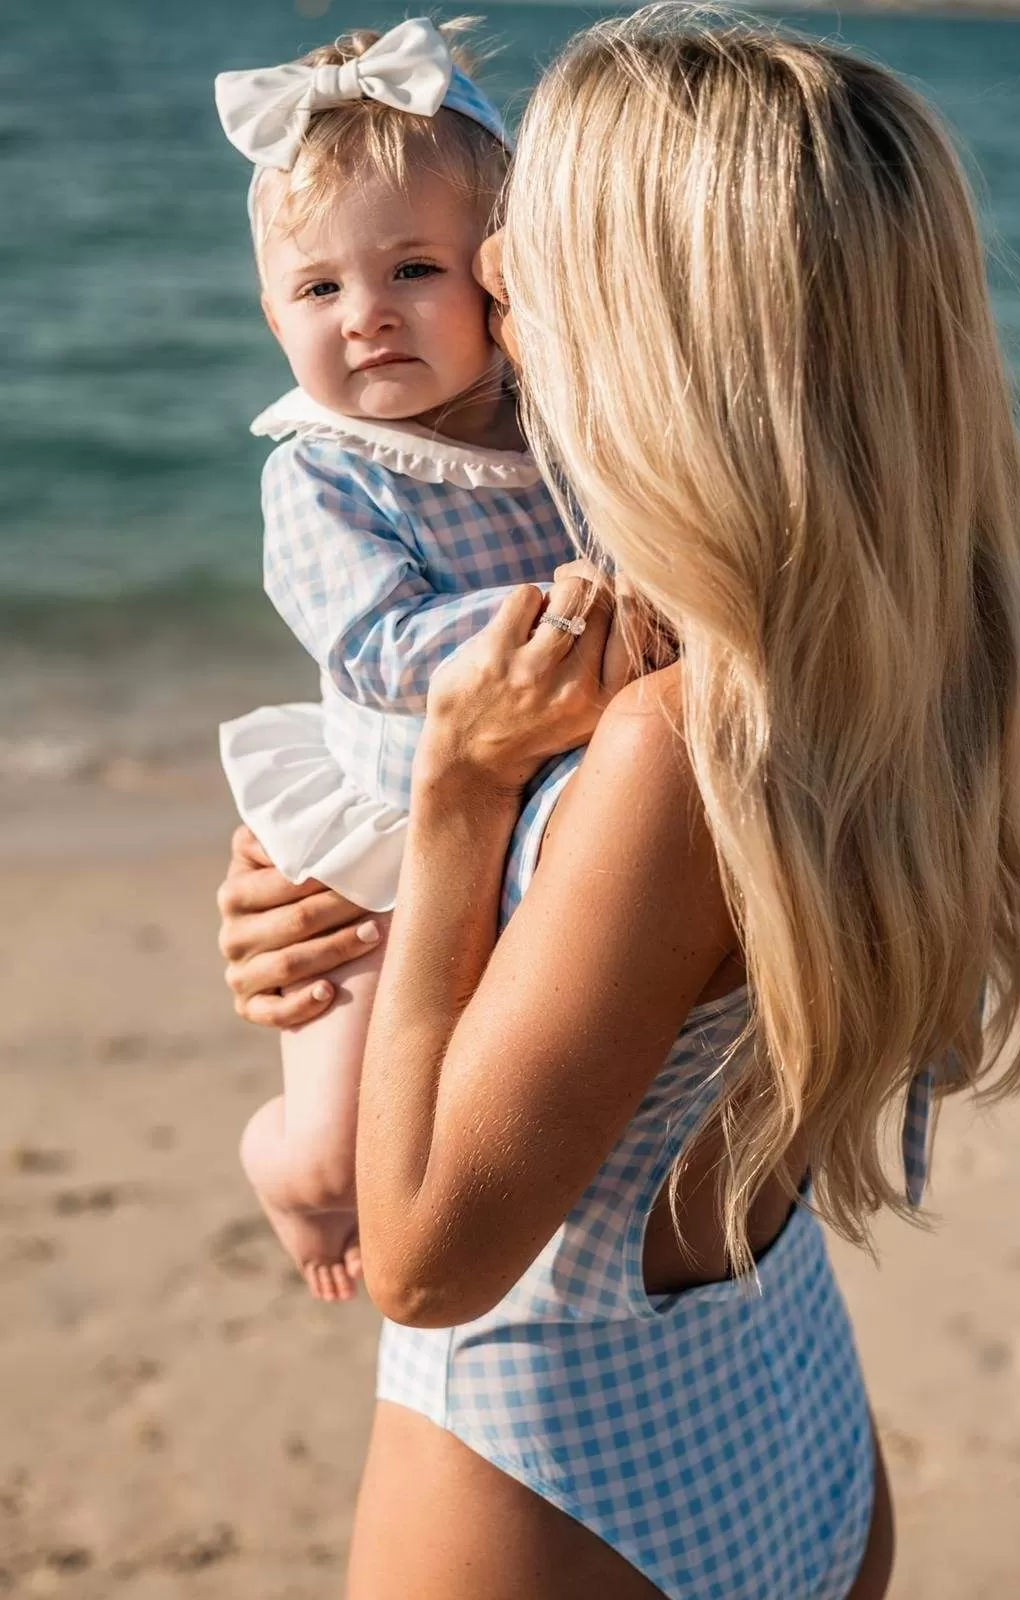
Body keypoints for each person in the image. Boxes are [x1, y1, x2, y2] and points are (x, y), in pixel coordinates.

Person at [217, 9, 1020, 1597]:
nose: (491, 290)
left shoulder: (676, 740)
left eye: (517, 259)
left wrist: (462, 809)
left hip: (549, 1467)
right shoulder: (914, 638)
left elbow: (418, 1261)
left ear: (645, 319)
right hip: (788, 1397)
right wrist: (332, 868)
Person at [213, 19, 577, 1299]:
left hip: (518, 798)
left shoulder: (556, 425)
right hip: (385, 827)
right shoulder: (320, 470)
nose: (364, 317)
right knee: (339, 1145)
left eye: (411, 269)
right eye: (317, 290)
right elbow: (375, 643)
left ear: (500, 277)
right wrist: (564, 623)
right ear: (272, 313)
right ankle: (292, 1189)